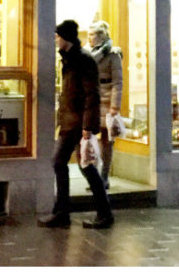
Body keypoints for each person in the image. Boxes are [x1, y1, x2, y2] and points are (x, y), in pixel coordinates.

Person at [38, 20, 114, 229]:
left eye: (58, 36)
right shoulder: (69, 59)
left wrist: (88, 128)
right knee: (65, 164)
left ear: (66, 38)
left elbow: (92, 96)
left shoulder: (83, 60)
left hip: (79, 124)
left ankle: (101, 214)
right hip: (69, 122)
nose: (55, 40)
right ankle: (65, 212)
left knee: (82, 166)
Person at [87, 20, 123, 190]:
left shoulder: (113, 54)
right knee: (89, 139)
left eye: (92, 35)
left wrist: (115, 106)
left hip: (107, 99)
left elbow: (118, 82)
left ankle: (104, 176)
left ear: (101, 37)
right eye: (88, 34)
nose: (89, 38)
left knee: (107, 141)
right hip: (91, 98)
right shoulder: (87, 53)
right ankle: (94, 176)